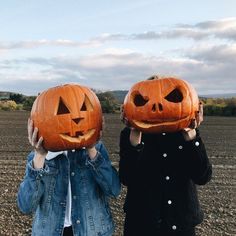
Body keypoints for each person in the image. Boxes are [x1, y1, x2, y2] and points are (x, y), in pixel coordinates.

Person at [119, 103, 212, 236]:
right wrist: (135, 140)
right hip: (141, 223)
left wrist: (191, 137)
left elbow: (203, 176)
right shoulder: (130, 133)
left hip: (180, 224)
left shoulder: (185, 132)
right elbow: (127, 178)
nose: (157, 107)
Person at [17, 118, 121, 236]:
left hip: (93, 231)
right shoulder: (38, 158)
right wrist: (40, 156)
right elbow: (26, 206)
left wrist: (91, 149)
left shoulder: (96, 149)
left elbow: (114, 190)